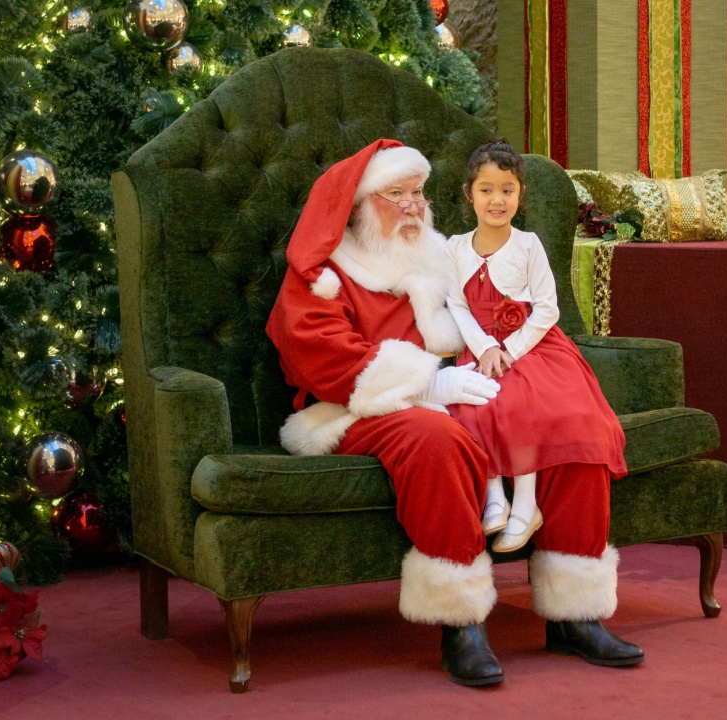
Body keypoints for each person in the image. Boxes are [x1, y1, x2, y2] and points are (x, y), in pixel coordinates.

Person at [266, 139, 644, 688]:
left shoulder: (443, 254)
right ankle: (461, 625)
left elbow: (496, 316)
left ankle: (576, 613)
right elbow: (316, 354)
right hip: (358, 408)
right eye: (396, 195)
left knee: (569, 423)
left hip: (470, 386)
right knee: (436, 437)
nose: (413, 206)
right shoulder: (324, 273)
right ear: (359, 206)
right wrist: (430, 383)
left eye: (418, 193)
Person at [445, 139, 628, 556]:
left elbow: (548, 308)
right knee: (474, 403)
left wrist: (509, 350)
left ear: (520, 194)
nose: (497, 200)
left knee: (522, 401)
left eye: (507, 190)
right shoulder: (454, 247)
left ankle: (526, 507)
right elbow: (457, 305)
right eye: (486, 190)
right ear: (469, 193)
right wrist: (485, 348)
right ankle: (495, 497)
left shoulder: (528, 245)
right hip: (481, 348)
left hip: (531, 346)